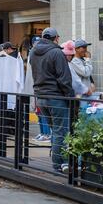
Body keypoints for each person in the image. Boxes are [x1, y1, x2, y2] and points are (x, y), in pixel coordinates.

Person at [29, 28, 74, 173]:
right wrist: (70, 96)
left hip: (41, 97)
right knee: (61, 131)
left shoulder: (33, 52)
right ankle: (60, 163)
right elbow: (64, 79)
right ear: (55, 38)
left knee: (55, 130)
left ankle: (59, 162)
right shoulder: (56, 53)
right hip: (56, 97)